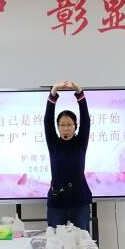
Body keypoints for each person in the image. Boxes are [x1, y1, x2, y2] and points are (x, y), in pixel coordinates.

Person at [44, 80, 92, 230]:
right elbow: (47, 121)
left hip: (80, 202)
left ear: (75, 126)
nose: (66, 128)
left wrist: (80, 93)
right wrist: (53, 93)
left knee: (82, 240)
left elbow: (86, 120)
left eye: (69, 124)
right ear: (58, 127)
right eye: (62, 125)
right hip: (57, 203)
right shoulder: (53, 143)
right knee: (55, 240)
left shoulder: (81, 142)